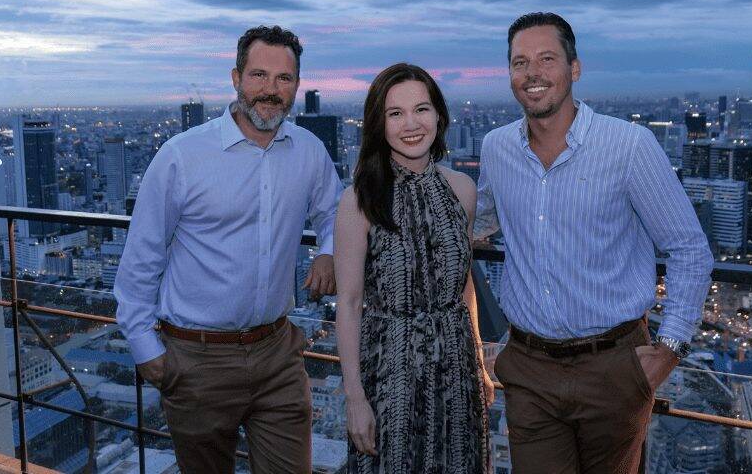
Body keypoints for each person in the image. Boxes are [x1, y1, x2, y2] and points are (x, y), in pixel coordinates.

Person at [475, 13, 714, 473]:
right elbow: (480, 219)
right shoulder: (497, 148)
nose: (532, 73)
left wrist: (669, 350)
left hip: (614, 367)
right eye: (520, 62)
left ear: (575, 68)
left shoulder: (628, 146)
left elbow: (688, 248)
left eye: (547, 59)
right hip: (529, 368)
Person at [114, 25, 343, 474]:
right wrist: (148, 352)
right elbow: (142, 258)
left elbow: (336, 212)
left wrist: (329, 251)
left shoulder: (309, 152)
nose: (271, 91)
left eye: (284, 79)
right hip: (197, 358)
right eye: (259, 76)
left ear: (297, 86)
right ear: (235, 78)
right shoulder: (182, 156)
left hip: (278, 351)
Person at [335, 63, 493, 473]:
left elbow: (463, 287)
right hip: (390, 370)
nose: (411, 124)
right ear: (379, 124)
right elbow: (349, 303)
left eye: (421, 109)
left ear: (439, 116)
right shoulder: (359, 199)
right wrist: (354, 396)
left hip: (456, 370)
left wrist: (478, 363)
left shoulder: (463, 189)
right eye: (395, 113)